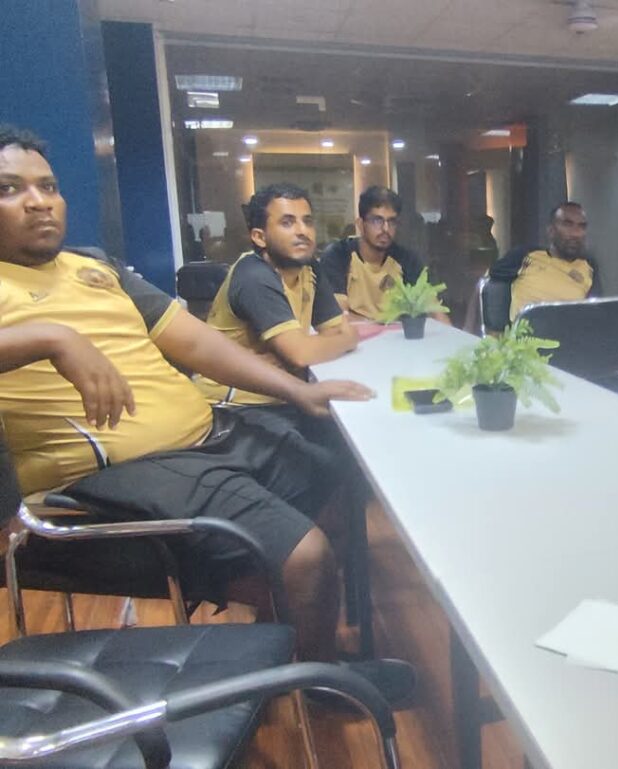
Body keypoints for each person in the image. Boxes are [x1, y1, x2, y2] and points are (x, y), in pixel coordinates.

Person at [0, 125, 413, 701]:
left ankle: (284, 630)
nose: (39, 201)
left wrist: (299, 393)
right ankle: (319, 688)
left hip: (206, 436)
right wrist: (51, 337)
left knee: (342, 470)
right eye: (10, 189)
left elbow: (195, 342)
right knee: (306, 553)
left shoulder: (93, 267)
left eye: (47, 186)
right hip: (115, 475)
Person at [194, 183, 358, 405]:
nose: (302, 231)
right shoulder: (254, 276)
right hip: (235, 405)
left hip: (285, 394)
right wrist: (343, 341)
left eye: (307, 221)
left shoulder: (309, 267)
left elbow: (337, 330)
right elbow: (302, 355)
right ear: (259, 237)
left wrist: (334, 341)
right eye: (287, 222)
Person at [320, 185, 448, 323]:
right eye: (377, 221)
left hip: (397, 334)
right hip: (353, 334)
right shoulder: (337, 256)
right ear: (360, 224)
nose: (385, 229)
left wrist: (452, 334)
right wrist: (377, 326)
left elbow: (434, 309)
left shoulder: (407, 259)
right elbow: (338, 316)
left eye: (391, 221)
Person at [490, 201, 601, 321]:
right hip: (528, 331)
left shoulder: (589, 267)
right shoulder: (525, 256)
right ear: (551, 231)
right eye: (567, 224)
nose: (575, 233)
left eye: (582, 226)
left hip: (570, 330)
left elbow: (594, 313)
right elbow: (489, 281)